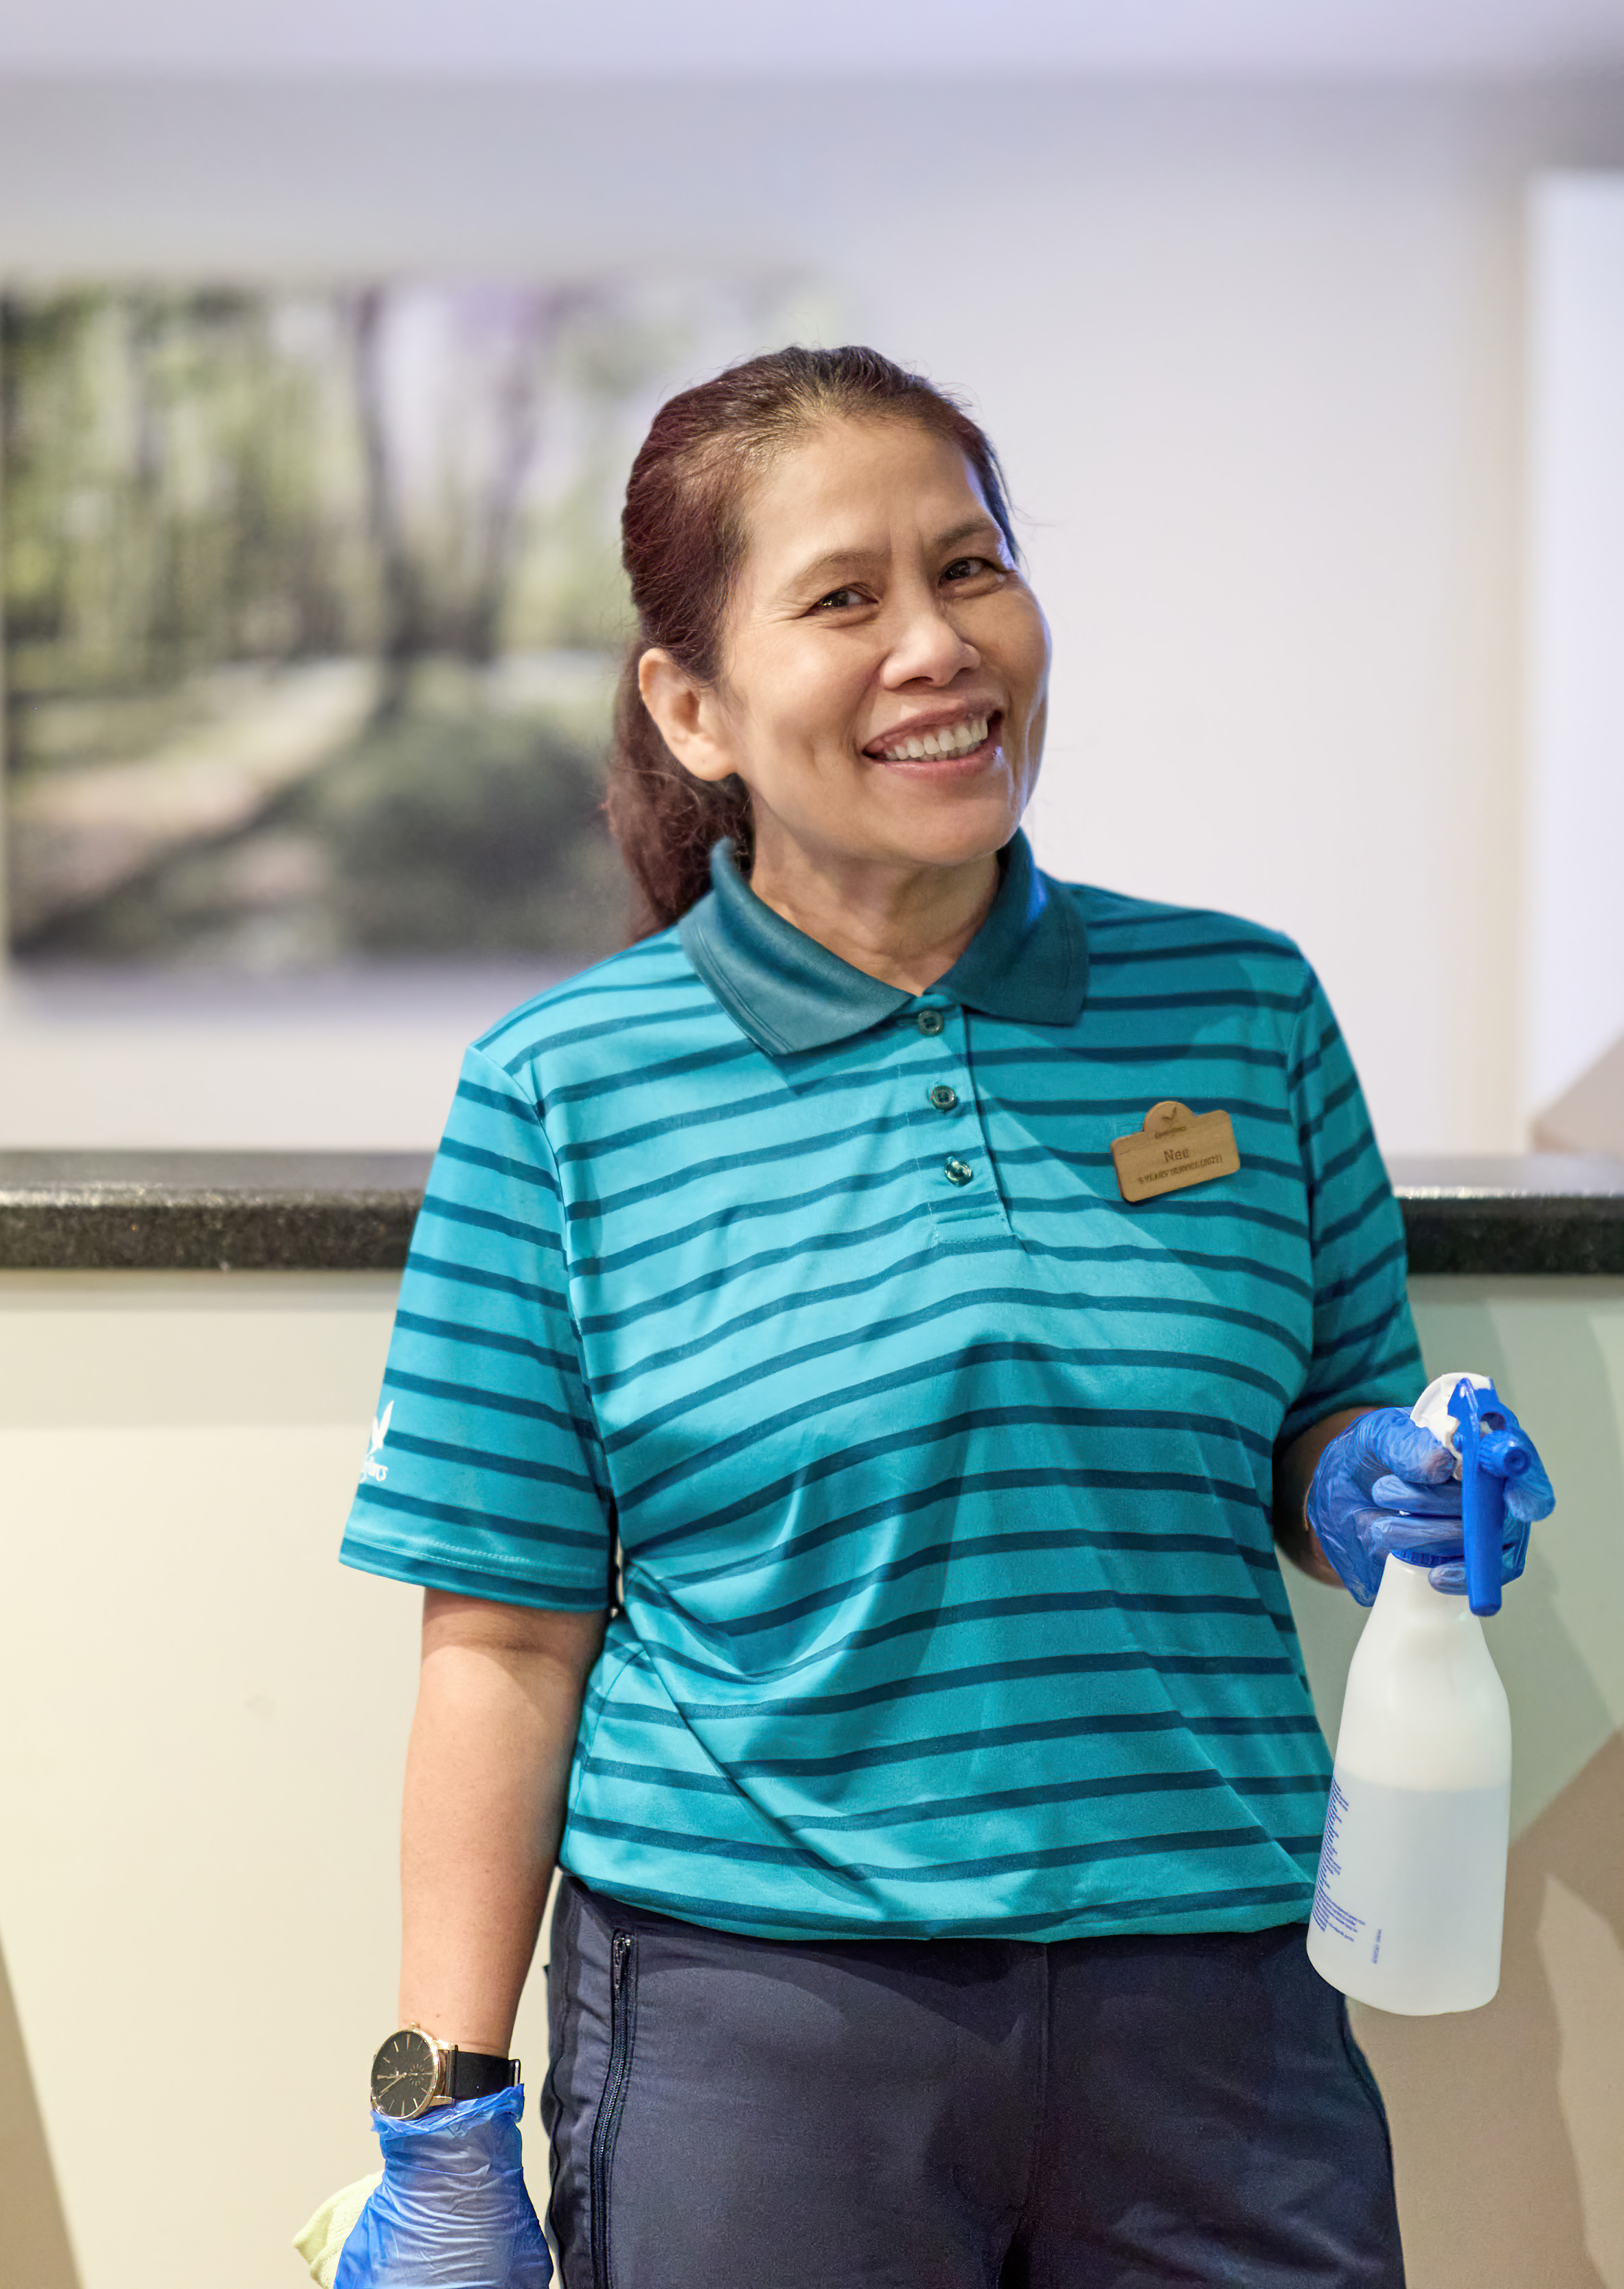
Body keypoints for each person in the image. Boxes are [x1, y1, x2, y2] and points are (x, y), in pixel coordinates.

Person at [326, 345, 1555, 2289]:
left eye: (971, 568)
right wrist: (445, 2121)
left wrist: (1380, 1488)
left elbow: (1321, 1420)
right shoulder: (563, 1093)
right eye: (844, 599)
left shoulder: (1241, 1010)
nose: (939, 646)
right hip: (763, 2024)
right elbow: (500, 1642)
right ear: (695, 706)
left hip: (1221, 1997)